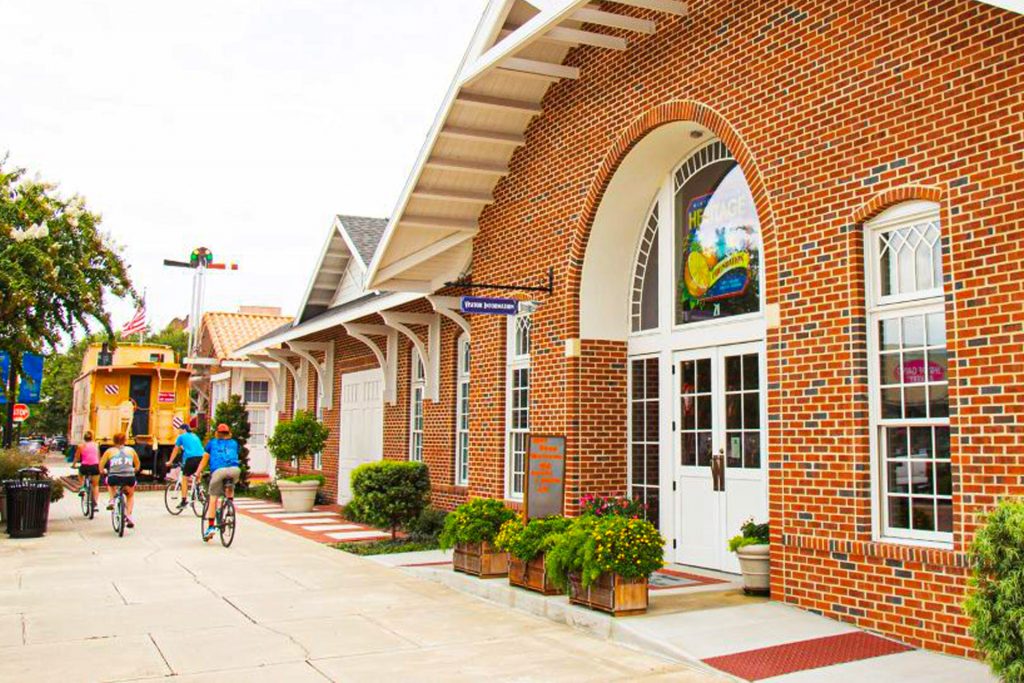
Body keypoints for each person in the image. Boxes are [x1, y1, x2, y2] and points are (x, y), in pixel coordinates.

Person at [202, 423, 240, 542]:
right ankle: (229, 507)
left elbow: (205, 459)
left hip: (218, 471)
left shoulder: (212, 443)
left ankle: (211, 527)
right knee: (230, 484)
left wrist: (198, 472)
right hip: (235, 470)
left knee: (213, 498)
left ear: (217, 433)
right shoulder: (234, 443)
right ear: (229, 433)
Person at [99, 433, 140, 528]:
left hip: (114, 477)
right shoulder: (131, 450)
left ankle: (112, 500)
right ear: (125, 441)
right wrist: (134, 469)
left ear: (114, 441)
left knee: (109, 481)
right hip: (129, 477)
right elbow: (137, 465)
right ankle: (129, 515)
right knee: (130, 495)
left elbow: (101, 464)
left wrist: (103, 471)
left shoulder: (109, 451)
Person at [166, 423, 205, 509]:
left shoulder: (181, 437)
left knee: (185, 478)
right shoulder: (195, 436)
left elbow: (175, 450)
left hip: (190, 458)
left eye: (179, 430)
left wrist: (170, 461)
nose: (179, 432)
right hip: (201, 457)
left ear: (183, 429)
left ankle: (184, 501)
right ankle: (200, 491)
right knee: (197, 474)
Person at [72, 431, 101, 513]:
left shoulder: (81, 446)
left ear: (84, 438)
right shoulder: (96, 445)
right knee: (95, 486)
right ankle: (95, 504)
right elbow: (98, 457)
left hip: (85, 466)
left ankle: (82, 488)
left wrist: (73, 465)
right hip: (95, 466)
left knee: (80, 474)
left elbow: (76, 457)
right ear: (92, 437)